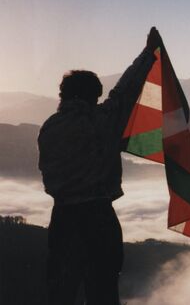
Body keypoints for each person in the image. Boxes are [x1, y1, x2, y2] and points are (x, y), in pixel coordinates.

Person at [38, 27, 161, 305]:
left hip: (62, 219)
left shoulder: (48, 128)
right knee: (103, 291)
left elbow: (46, 173)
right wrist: (148, 53)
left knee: (60, 293)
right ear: (93, 97)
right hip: (98, 218)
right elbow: (125, 92)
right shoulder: (103, 122)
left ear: (63, 96)